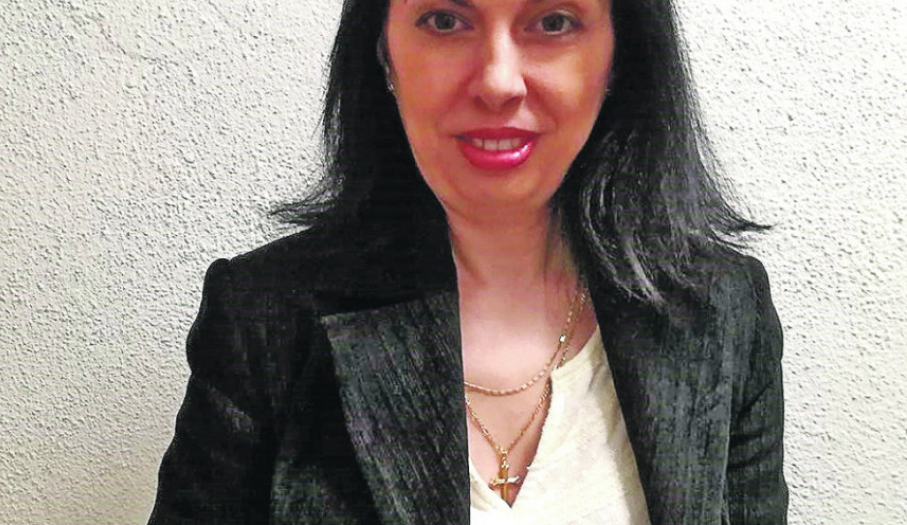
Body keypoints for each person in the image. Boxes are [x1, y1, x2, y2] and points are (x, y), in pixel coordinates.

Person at [148, 0, 787, 523]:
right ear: (383, 51)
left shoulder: (723, 310)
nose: (498, 81)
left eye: (553, 21)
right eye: (446, 20)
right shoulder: (263, 321)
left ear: (620, 54)